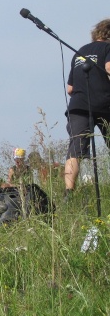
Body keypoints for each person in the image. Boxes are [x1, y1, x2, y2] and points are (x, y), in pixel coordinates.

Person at [64, 19, 110, 197]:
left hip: (78, 106)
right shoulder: (107, 48)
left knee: (75, 151)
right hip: (104, 105)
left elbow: (70, 88)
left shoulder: (79, 52)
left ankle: (69, 193)